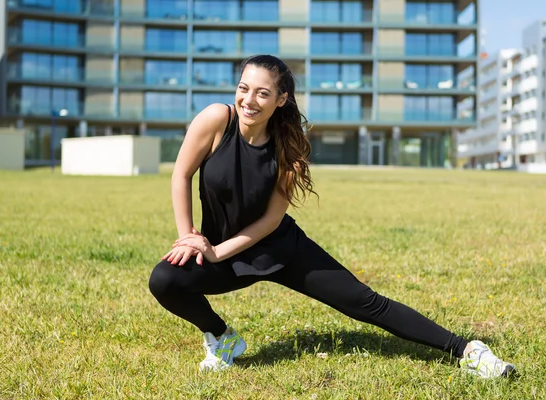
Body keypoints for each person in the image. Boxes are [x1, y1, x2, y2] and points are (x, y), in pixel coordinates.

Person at [148, 54, 516, 378]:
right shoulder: (216, 119)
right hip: (219, 247)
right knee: (165, 278)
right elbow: (181, 174)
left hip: (277, 249)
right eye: (244, 88)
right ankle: (222, 338)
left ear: (281, 99)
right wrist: (190, 238)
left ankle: (468, 351)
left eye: (262, 93)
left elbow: (270, 222)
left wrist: (216, 253)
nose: (249, 99)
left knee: (365, 302)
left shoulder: (286, 147)